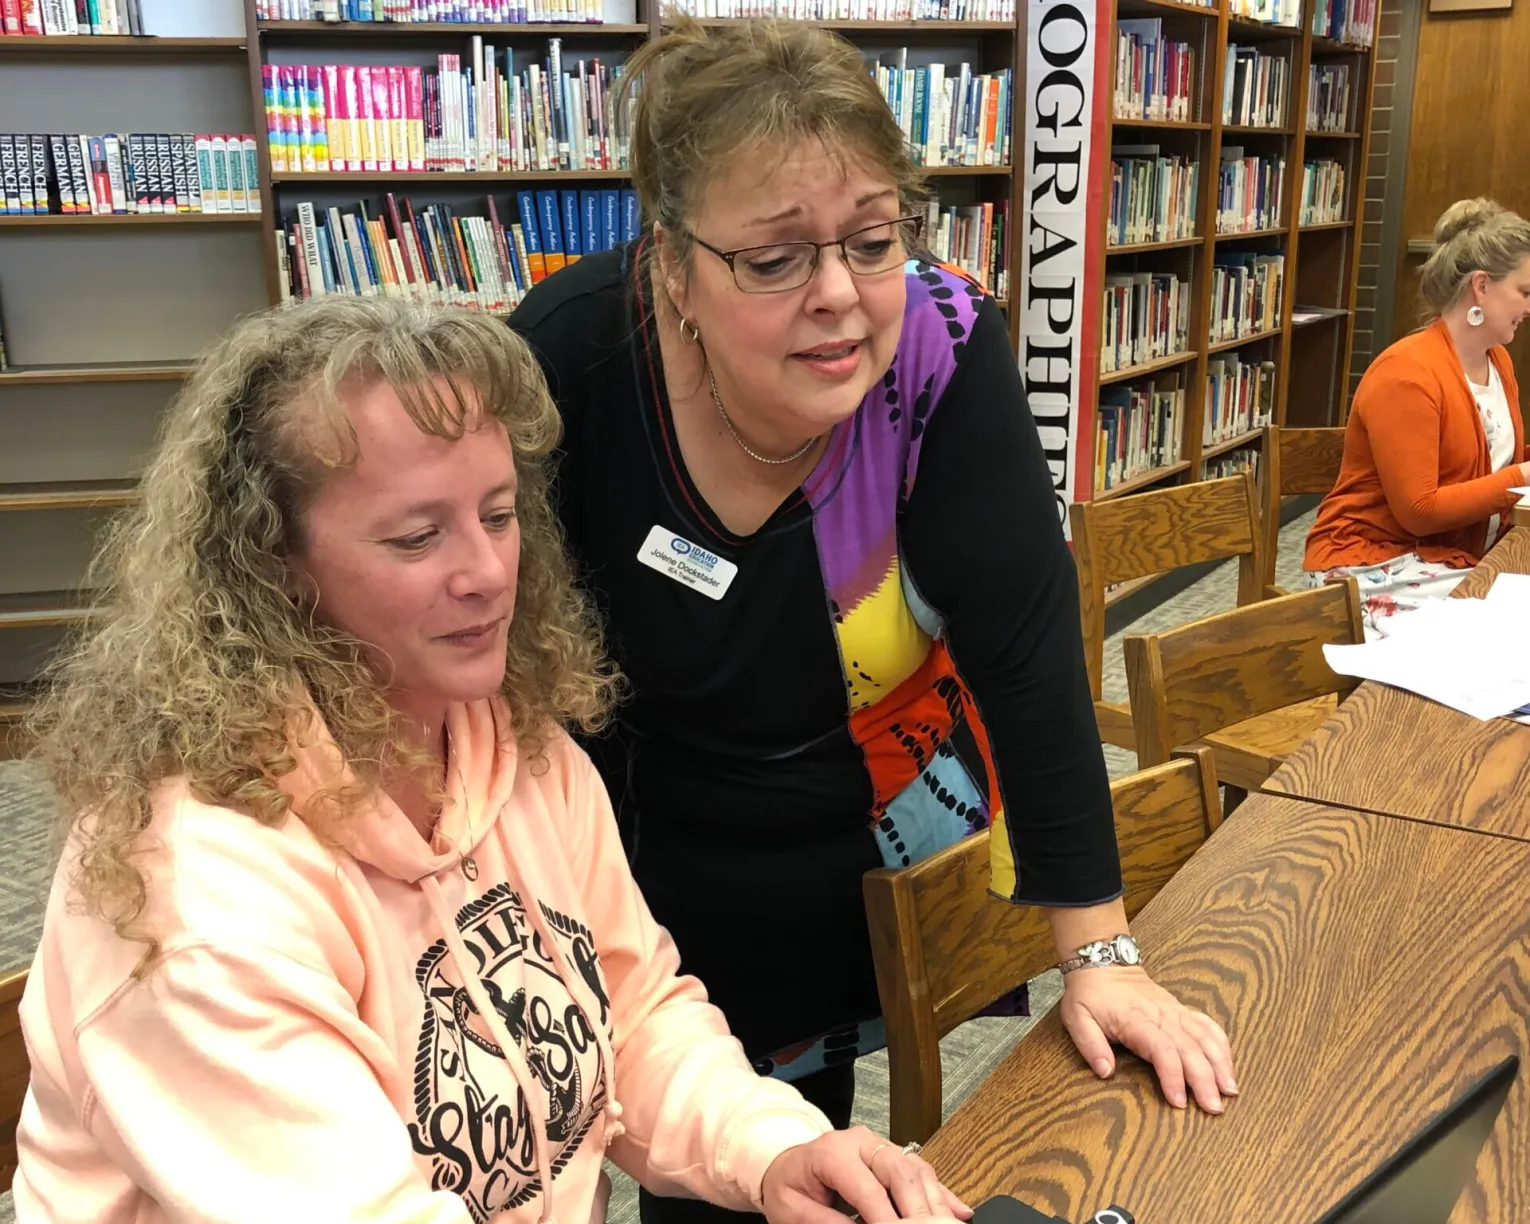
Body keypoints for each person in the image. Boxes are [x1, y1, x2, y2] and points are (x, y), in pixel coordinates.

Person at [13, 297, 974, 1224]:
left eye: (501, 514)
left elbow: (634, 1013)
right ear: (273, 569)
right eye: (417, 535)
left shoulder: (519, 747)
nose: (486, 572)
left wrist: (773, 1147)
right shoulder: (197, 901)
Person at [509, 22, 1237, 1215]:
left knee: (799, 1154)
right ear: (675, 263)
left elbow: (1027, 645)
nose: (840, 295)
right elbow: (507, 667)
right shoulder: (568, 358)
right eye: (776, 258)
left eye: (871, 237)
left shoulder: (942, 352)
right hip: (629, 858)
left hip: (855, 827)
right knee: (628, 1144)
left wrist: (1099, 953)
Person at [1305, 197, 1530, 636]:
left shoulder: (1497, 361)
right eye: (1524, 292)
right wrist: (1522, 478)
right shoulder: (1407, 373)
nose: (1529, 307)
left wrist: (1521, 470)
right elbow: (1419, 510)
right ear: (1481, 286)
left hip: (1447, 556)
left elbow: (1492, 464)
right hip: (1374, 562)